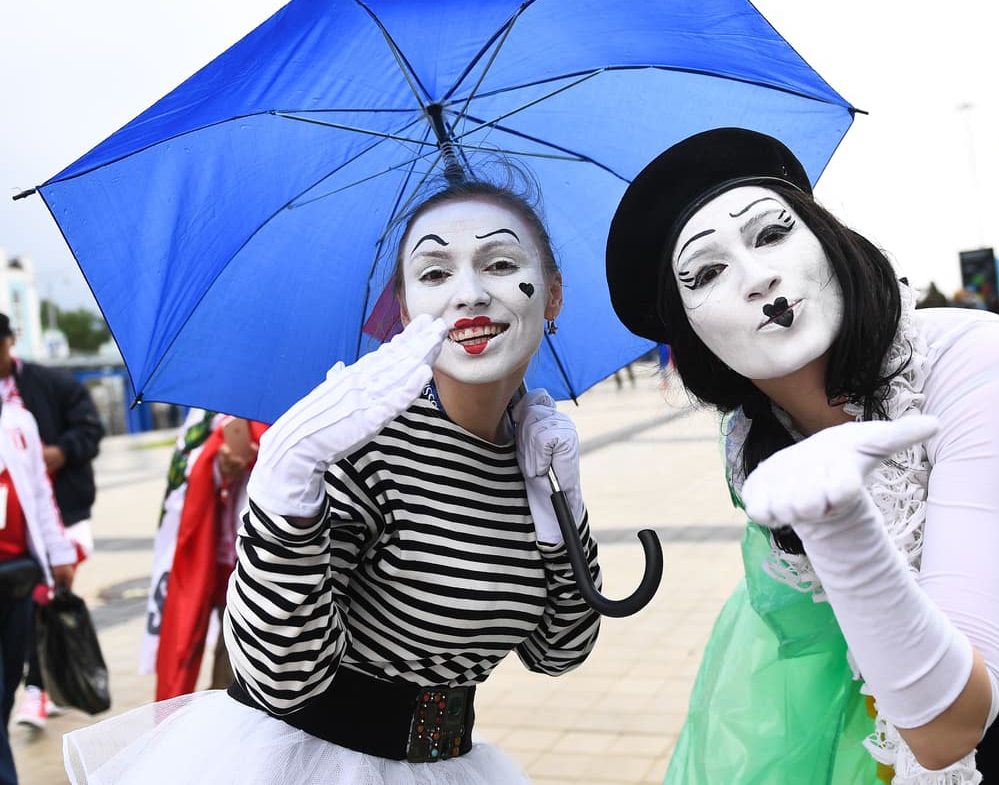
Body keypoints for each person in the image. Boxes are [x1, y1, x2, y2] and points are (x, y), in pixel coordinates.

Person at [605, 128, 999, 784]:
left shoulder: (985, 362)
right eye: (706, 272)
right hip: (947, 692)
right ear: (689, 332)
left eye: (770, 234)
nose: (758, 277)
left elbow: (947, 732)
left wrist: (840, 521)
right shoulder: (752, 443)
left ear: (829, 241)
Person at [64, 175, 603, 784]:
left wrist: (562, 508)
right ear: (404, 309)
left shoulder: (533, 455)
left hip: (452, 764)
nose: (470, 294)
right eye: (434, 274)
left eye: (501, 263)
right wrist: (287, 473)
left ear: (552, 295)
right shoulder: (365, 447)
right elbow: (280, 677)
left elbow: (560, 649)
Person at [0, 313, 102, 730]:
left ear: (11, 341)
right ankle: (35, 691)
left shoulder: (48, 384)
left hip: (58, 516)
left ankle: (39, 689)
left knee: (45, 600)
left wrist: (62, 451)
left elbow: (91, 428)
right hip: (19, 531)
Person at [141, 411, 269, 699]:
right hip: (222, 561)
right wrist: (219, 468)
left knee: (243, 686)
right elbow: (188, 472)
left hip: (268, 565)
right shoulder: (212, 408)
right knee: (230, 684)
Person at [0, 397, 77, 785]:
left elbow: (40, 493)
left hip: (17, 575)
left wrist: (60, 552)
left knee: (8, 682)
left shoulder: (19, 419)